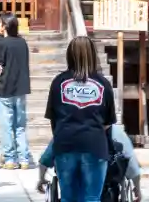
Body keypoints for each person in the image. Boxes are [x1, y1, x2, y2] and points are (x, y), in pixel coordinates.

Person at [44, 35, 116, 202]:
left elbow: (53, 118)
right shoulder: (103, 84)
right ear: (93, 55)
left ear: (69, 55)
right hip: (94, 145)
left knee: (68, 198)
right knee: (92, 198)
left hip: (65, 143)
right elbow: (108, 122)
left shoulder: (58, 82)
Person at [36, 127, 139, 202]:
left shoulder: (65, 128)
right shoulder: (116, 131)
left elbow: (45, 159)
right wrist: (137, 188)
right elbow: (132, 165)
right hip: (106, 185)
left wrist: (41, 179)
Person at [0, 13, 32, 169]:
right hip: (21, 87)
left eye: (0, 24)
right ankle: (24, 158)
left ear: (4, 26)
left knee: (7, 125)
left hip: (6, 87)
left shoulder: (2, 43)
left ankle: (9, 158)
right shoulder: (22, 42)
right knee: (20, 125)